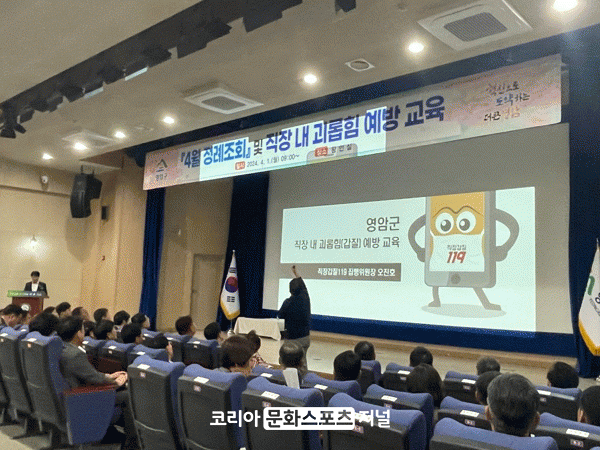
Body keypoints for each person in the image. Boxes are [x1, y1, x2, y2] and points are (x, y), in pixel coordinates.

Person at [56, 316, 137, 449]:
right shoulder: (75, 354)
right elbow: (95, 380)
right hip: (82, 399)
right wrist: (116, 383)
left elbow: (88, 374)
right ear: (78, 333)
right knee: (127, 395)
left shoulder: (62, 348)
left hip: (70, 396)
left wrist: (108, 376)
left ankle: (111, 434)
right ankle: (131, 443)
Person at [278, 265, 311, 373]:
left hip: (292, 339)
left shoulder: (287, 303)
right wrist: (295, 272)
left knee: (288, 363)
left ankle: (290, 380)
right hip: (305, 337)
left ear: (290, 290)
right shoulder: (305, 297)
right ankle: (303, 380)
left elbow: (280, 315)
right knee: (302, 363)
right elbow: (302, 284)